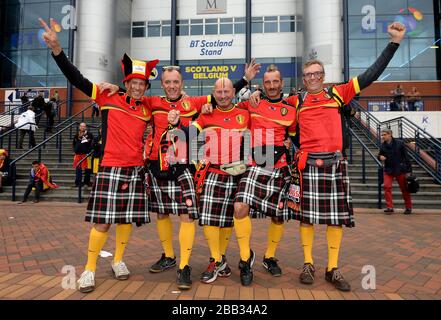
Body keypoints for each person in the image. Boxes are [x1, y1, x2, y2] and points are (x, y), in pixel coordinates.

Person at [250, 21, 406, 292]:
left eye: (316, 73)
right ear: (303, 78)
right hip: (306, 165)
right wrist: (255, 92)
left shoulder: (338, 93)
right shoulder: (296, 101)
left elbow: (370, 75)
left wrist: (394, 43)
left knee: (335, 219)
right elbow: (271, 100)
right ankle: (308, 264)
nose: (312, 77)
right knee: (306, 217)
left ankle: (332, 268)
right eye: (308, 74)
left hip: (335, 163)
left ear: (323, 75)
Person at [99, 60, 260, 290]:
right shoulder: (152, 102)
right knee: (162, 213)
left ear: (181, 83)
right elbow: (134, 95)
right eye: (167, 82)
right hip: (157, 165)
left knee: (188, 216)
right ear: (162, 85)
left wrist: (245, 80)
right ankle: (168, 256)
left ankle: (184, 267)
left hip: (184, 166)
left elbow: (221, 96)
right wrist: (119, 88)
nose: (172, 86)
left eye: (176, 82)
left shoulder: (193, 103)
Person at [40, 17, 157, 293]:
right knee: (103, 221)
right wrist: (58, 50)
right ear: (126, 83)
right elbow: (76, 78)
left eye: (143, 84)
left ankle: (118, 260)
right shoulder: (107, 97)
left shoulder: (148, 108)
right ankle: (90, 269)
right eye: (134, 83)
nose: (138, 87)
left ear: (146, 87)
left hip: (136, 169)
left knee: (126, 219)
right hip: (110, 168)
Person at [171, 78, 250, 284]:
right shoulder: (205, 115)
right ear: (213, 94)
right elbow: (188, 134)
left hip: (238, 173)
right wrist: (177, 123)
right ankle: (216, 259)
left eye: (226, 91)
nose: (223, 96)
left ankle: (237, 259)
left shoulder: (245, 114)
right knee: (209, 220)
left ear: (234, 92)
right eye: (219, 92)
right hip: (213, 172)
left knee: (229, 220)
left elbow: (258, 135)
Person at [232, 64, 297, 286]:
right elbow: (225, 99)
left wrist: (290, 143)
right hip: (255, 164)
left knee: (278, 216)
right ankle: (244, 259)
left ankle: (269, 257)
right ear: (263, 84)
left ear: (281, 83)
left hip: (279, 166)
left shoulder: (291, 107)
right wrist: (245, 79)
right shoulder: (253, 103)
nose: (271, 85)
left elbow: (296, 134)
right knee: (240, 207)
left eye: (275, 81)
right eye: (267, 82)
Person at [378, 128, 412, 215]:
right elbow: (380, 154)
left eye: (384, 135)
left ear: (390, 134)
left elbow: (406, 157)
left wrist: (409, 170)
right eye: (382, 135)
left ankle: (408, 207)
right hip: (388, 169)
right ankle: (390, 207)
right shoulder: (382, 145)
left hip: (399, 169)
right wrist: (380, 157)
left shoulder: (400, 143)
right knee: (386, 187)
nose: (383, 136)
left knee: (404, 189)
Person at [72, 122, 94, 188]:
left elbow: (91, 143)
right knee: (78, 169)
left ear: (86, 127)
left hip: (86, 154)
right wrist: (75, 151)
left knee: (87, 169)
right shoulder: (76, 134)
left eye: (84, 126)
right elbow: (74, 143)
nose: (82, 127)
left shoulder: (89, 134)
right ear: (79, 127)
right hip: (78, 154)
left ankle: (86, 182)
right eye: (81, 126)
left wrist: (89, 150)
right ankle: (78, 182)